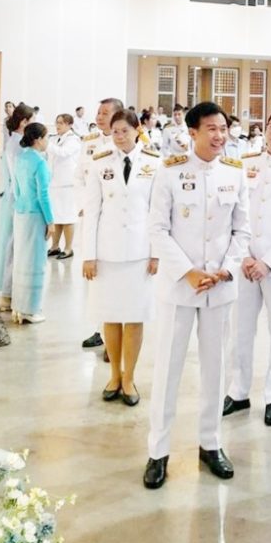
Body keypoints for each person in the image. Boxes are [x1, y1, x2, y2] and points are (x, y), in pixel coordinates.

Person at [143, 102, 250, 490]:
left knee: (215, 369)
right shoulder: (170, 171)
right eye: (211, 129)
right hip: (179, 287)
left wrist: (226, 269)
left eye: (223, 128)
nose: (220, 136)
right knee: (168, 370)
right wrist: (188, 272)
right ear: (192, 133)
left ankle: (211, 443)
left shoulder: (235, 172)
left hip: (219, 287)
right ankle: (158, 451)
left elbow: (243, 230)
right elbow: (157, 229)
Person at [223, 108, 271, 428]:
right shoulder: (246, 164)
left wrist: (268, 262)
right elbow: (235, 214)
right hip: (245, 263)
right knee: (240, 330)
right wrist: (243, 255)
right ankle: (238, 391)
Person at [82, 109, 162, 405]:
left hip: (140, 253)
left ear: (137, 130)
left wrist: (156, 253)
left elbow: (158, 212)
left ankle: (129, 378)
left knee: (135, 317)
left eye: (124, 131)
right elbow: (92, 211)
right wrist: (88, 255)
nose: (118, 136)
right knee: (111, 316)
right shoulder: (100, 161)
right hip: (108, 252)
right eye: (114, 131)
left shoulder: (154, 162)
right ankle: (114, 374)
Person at [78, 97, 123, 350]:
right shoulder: (90, 142)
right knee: (94, 279)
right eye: (98, 112)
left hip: (117, 223)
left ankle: (113, 336)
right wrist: (82, 204)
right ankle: (99, 329)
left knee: (115, 281)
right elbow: (78, 177)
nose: (99, 117)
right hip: (92, 219)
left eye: (105, 113)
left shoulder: (128, 144)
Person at [12, 122, 54, 325]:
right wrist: (50, 221)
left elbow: (17, 188)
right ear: (38, 139)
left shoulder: (21, 158)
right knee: (36, 262)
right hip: (36, 215)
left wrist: (21, 204)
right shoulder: (39, 162)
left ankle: (18, 307)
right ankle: (31, 309)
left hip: (21, 212)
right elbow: (43, 195)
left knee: (21, 259)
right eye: (46, 137)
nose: (48, 141)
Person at [0, 102, 34, 311]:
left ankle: (9, 292)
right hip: (19, 197)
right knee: (14, 245)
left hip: (16, 196)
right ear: (24, 122)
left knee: (14, 244)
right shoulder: (18, 145)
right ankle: (7, 293)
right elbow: (21, 176)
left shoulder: (16, 141)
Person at [47, 113, 81, 259]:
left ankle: (68, 248)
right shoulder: (54, 138)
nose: (58, 125)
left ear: (69, 125)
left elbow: (63, 152)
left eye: (61, 123)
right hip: (54, 183)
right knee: (56, 217)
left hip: (68, 184)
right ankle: (54, 246)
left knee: (68, 217)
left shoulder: (73, 140)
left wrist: (47, 144)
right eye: (57, 122)